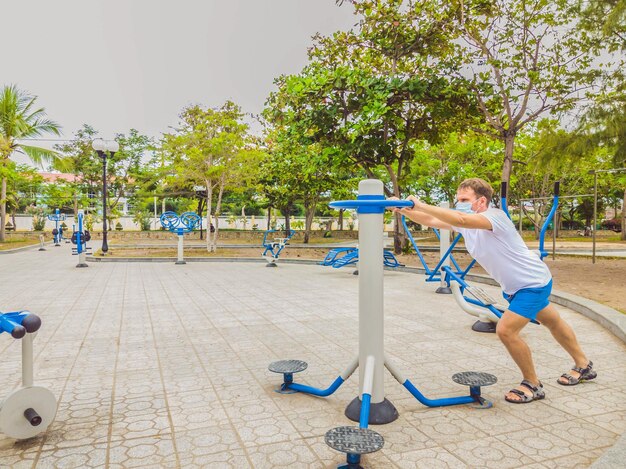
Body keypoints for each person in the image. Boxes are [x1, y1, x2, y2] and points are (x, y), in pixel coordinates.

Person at [393, 178, 596, 403]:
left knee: (506, 331)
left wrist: (419, 203)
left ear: (481, 201)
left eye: (464, 199)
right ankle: (583, 364)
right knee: (553, 322)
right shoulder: (467, 222)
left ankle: (532, 384)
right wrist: (404, 210)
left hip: (532, 283)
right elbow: (432, 219)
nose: (458, 203)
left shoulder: (495, 217)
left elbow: (458, 217)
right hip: (516, 287)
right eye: (457, 199)